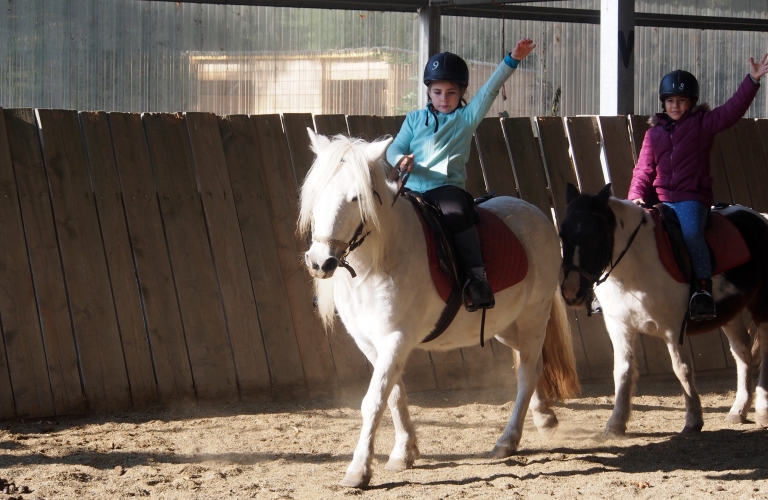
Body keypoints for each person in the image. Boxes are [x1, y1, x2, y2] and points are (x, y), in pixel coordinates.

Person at [387, 39, 536, 312]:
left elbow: (490, 90)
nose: (444, 99)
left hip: (445, 190)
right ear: (429, 93)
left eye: (451, 93)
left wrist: (512, 60)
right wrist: (400, 159)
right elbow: (395, 147)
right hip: (411, 187)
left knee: (456, 211)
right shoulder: (413, 119)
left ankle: (477, 278)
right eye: (437, 92)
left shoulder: (466, 118)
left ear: (462, 93)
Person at [628, 54, 768, 321]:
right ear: (663, 103)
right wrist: (635, 196)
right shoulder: (653, 134)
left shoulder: (704, 124)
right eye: (670, 101)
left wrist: (752, 80)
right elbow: (644, 169)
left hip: (691, 199)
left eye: (681, 101)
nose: (675, 106)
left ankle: (702, 290)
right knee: (632, 233)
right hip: (660, 200)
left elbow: (732, 110)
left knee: (692, 234)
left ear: (691, 103)